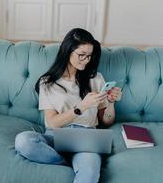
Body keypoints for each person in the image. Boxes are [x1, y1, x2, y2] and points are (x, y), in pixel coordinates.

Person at [15, 28, 122, 183]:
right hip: (56, 137)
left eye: (89, 56)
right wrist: (82, 107)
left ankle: (78, 161)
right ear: (67, 51)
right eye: (81, 55)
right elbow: (52, 122)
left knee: (90, 171)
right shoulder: (48, 82)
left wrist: (111, 104)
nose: (86, 60)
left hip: (86, 139)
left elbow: (106, 122)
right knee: (23, 141)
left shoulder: (96, 78)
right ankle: (67, 162)